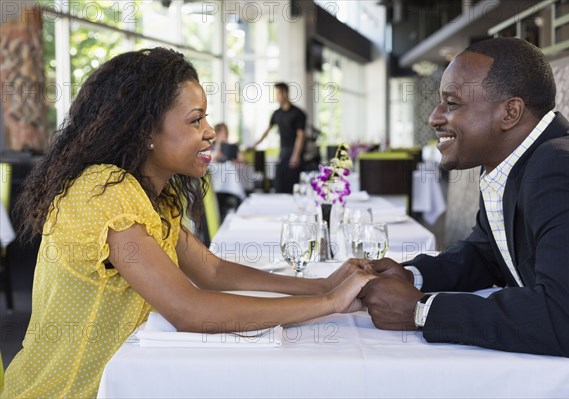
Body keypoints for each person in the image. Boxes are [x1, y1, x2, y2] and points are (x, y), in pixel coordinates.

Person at [1, 48, 374, 398]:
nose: (210, 131)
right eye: (196, 119)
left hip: (126, 383)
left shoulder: (150, 196)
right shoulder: (105, 191)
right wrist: (330, 302)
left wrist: (320, 285)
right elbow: (189, 310)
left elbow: (211, 271)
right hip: (68, 391)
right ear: (145, 130)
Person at [359, 37, 569, 358]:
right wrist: (411, 276)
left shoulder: (562, 167)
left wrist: (422, 311)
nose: (434, 117)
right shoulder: (517, 163)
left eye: (452, 103)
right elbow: (485, 255)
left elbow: (567, 319)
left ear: (510, 112)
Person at [253, 82, 306, 193]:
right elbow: (267, 131)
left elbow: (301, 136)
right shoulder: (277, 113)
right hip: (283, 151)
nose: (276, 97)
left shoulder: (298, 113)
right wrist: (254, 145)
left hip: (294, 151)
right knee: (279, 183)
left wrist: (296, 155)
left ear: (285, 93)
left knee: (292, 183)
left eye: (277, 94)